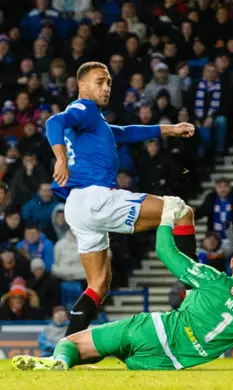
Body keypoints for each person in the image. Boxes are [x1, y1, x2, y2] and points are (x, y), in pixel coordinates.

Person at [13, 197, 233, 371]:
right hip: (165, 363)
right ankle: (71, 362)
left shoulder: (214, 280)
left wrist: (166, 218)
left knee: (72, 343)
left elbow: (167, 253)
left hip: (151, 330)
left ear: (232, 264)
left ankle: (59, 361)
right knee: (106, 352)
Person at [44, 62, 197, 336]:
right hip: (96, 197)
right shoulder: (84, 108)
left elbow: (126, 132)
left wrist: (171, 129)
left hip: (77, 206)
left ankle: (65, 349)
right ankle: (195, 294)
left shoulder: (94, 122)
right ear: (82, 86)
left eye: (109, 83)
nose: (106, 88)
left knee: (99, 284)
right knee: (180, 211)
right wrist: (60, 159)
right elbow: (53, 121)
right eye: (99, 82)